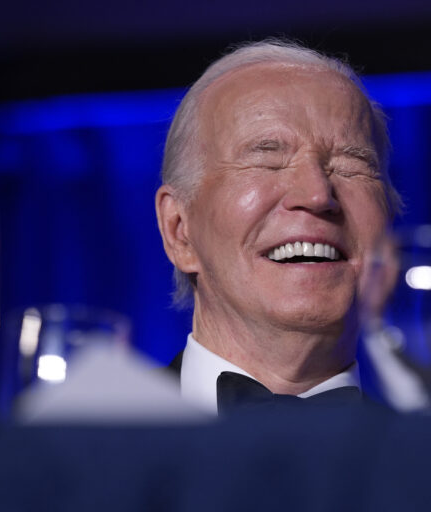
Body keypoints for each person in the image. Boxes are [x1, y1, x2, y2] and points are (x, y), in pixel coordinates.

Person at [155, 39, 400, 414]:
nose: (318, 195)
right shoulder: (68, 453)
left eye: (349, 166)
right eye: (268, 161)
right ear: (179, 230)